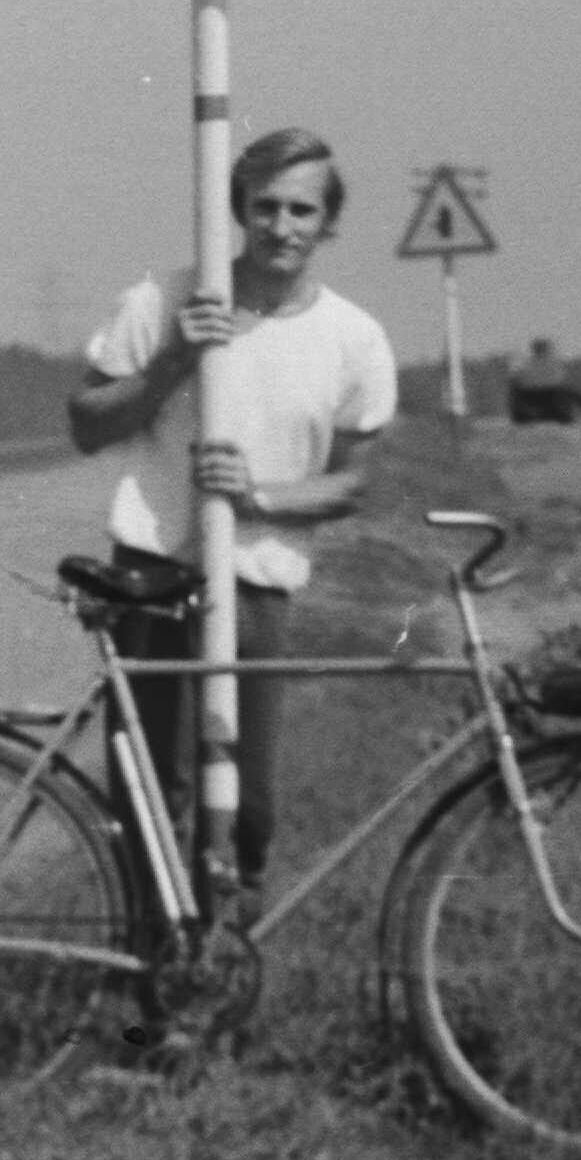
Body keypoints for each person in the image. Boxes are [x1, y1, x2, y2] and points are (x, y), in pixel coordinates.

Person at [68, 126, 398, 896]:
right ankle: (156, 952)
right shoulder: (164, 301)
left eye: (301, 210)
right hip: (152, 573)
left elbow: (352, 484)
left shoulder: (354, 339)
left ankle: (232, 931)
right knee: (152, 790)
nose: (281, 227)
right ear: (238, 210)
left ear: (328, 222)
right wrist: (174, 360)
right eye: (265, 207)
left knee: (249, 807)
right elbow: (85, 424)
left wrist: (258, 496)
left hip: (257, 583)